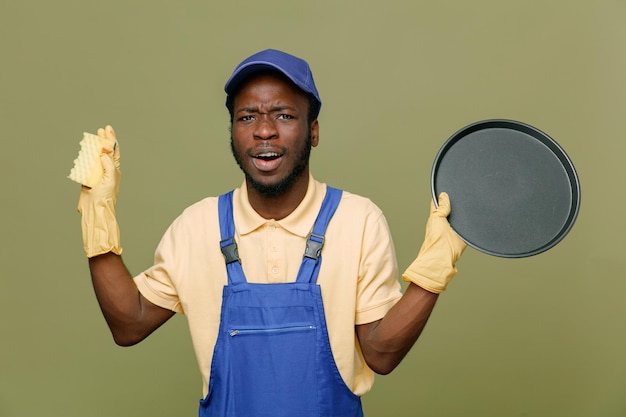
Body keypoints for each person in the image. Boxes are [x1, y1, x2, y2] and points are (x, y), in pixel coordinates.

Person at [76, 49, 467, 416]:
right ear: (232, 133)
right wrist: (98, 217)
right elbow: (129, 324)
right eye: (247, 117)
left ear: (313, 132)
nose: (264, 131)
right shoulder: (197, 227)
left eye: (283, 115)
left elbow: (381, 354)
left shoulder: (358, 220)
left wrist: (430, 274)